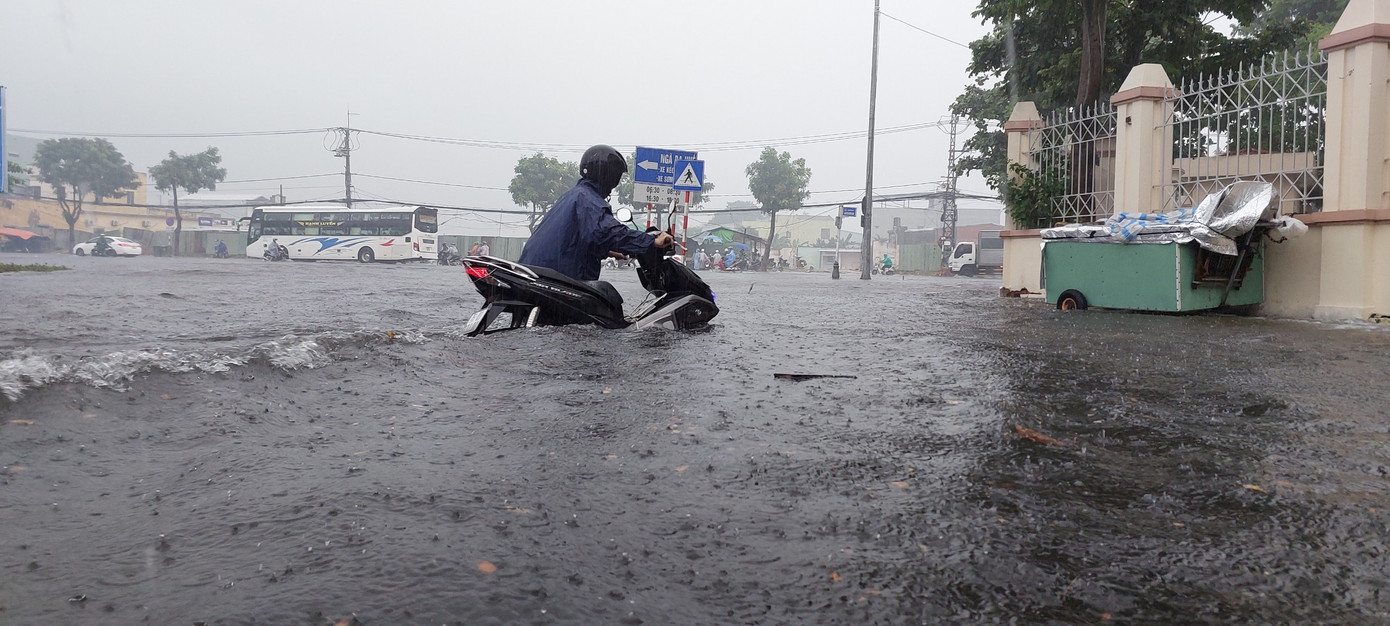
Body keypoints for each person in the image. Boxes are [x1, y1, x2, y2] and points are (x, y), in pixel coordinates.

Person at [518, 144, 672, 281]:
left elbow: (578, 239)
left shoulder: (574, 195)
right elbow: (607, 232)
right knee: (607, 299)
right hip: (555, 278)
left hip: (537, 273)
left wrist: (608, 252)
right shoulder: (589, 200)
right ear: (608, 175)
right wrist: (651, 241)